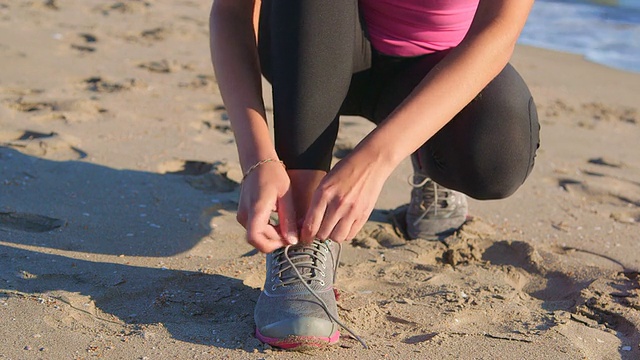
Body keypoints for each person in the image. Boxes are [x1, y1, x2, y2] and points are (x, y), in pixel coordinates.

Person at [210, 0, 540, 349]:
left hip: (431, 71)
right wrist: (258, 160)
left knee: (497, 159)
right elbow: (232, 12)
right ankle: (303, 232)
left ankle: (426, 149)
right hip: (304, 49)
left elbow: (498, 30)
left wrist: (378, 159)